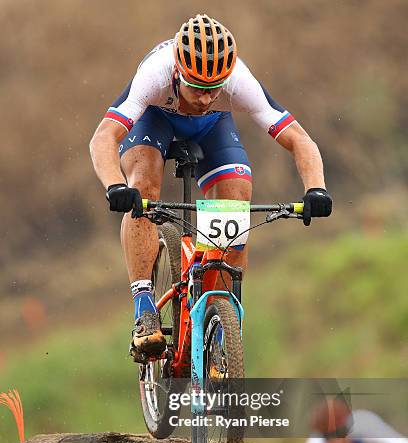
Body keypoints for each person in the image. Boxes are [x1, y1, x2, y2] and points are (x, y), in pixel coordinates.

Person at [90, 14, 332, 363]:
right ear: (178, 73)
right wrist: (115, 186)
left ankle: (216, 323)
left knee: (236, 195)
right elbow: (102, 138)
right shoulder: (155, 74)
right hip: (155, 118)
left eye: (213, 89)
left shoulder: (237, 80)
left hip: (212, 128)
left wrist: (316, 189)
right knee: (143, 185)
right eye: (197, 88)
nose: (204, 98)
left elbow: (299, 139)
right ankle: (144, 305)